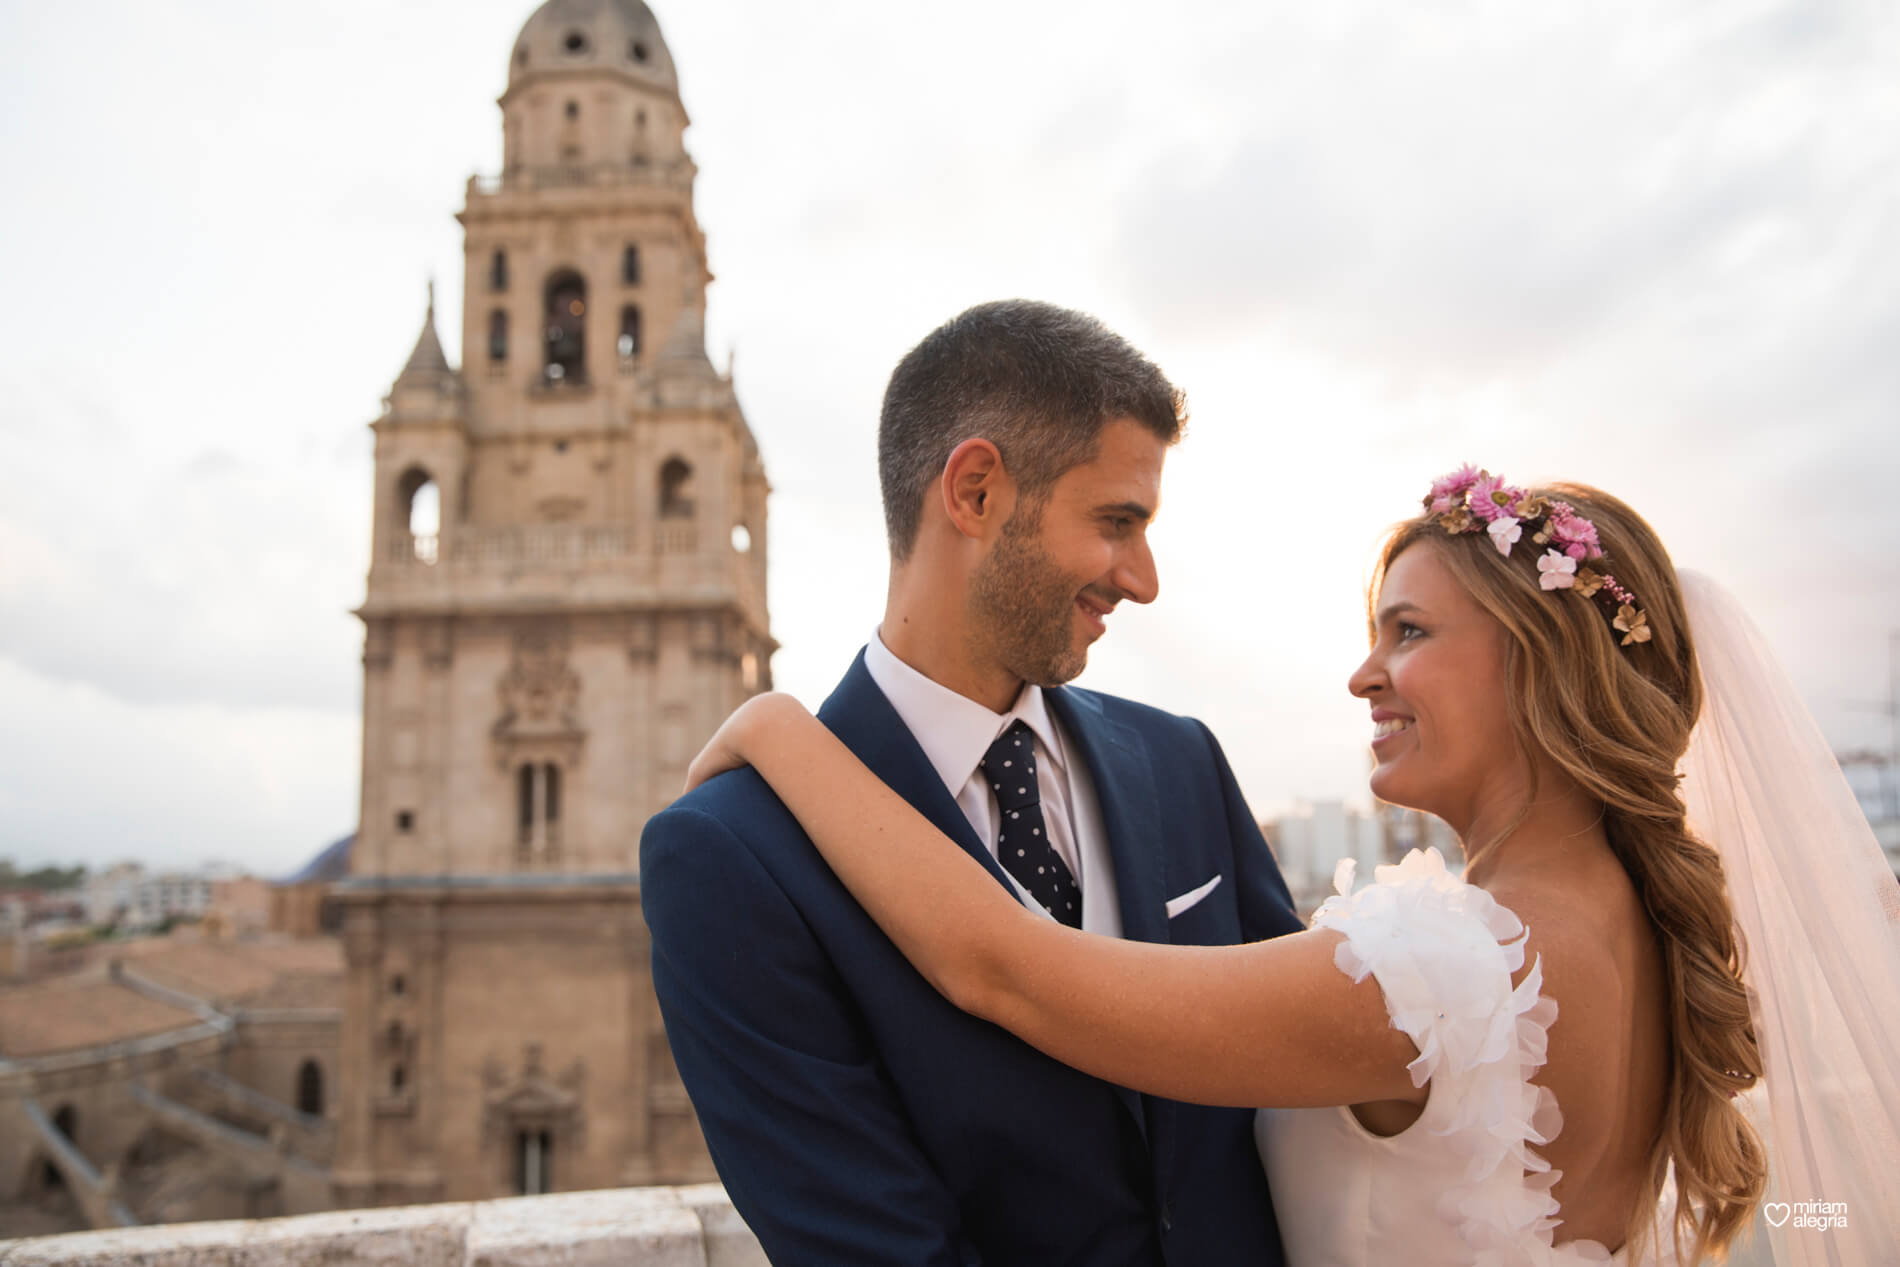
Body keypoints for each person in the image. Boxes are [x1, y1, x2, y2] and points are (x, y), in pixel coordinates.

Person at [689, 468, 1900, 1264]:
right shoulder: (1625, 922)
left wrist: (779, 730)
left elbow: (1002, 967)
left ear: (1539, 666)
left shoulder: (1438, 970)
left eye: (1409, 634)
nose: (1364, 676)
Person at [640, 300, 1304, 1266]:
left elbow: (1297, 1109)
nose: (1146, 579)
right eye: (1117, 521)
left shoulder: (1183, 762)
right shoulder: (734, 855)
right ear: (977, 492)